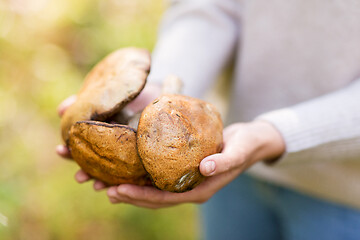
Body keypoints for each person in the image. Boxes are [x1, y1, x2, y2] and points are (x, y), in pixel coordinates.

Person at [57, 0, 360, 239]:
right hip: (221, 159)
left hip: (344, 195)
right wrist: (160, 87)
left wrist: (275, 134)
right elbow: (210, 5)